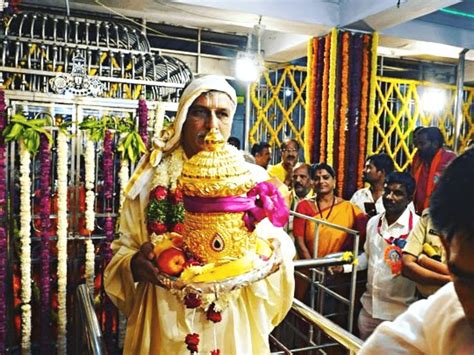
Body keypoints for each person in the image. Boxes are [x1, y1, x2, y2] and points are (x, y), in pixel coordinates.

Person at [104, 75, 295, 354]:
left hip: (232, 321)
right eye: (200, 112)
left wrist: (278, 253)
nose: (212, 125)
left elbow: (276, 243)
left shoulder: (251, 177)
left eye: (222, 114)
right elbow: (122, 254)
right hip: (164, 314)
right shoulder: (150, 180)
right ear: (182, 116)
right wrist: (136, 265)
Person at [359, 149, 474, 354]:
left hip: (398, 306)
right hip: (371, 307)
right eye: (466, 280)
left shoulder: (415, 225)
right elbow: (400, 265)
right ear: (447, 247)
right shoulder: (441, 313)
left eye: (398, 193)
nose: (391, 197)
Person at [357, 172, 419, 340]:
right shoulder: (373, 222)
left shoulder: (418, 228)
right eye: (387, 191)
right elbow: (367, 257)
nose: (390, 197)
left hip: (399, 314)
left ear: (410, 199)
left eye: (398, 193)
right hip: (369, 310)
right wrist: (347, 266)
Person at [293, 163, 367, 260]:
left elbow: (364, 231)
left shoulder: (348, 207)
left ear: (334, 181)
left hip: (337, 266)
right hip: (309, 267)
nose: (321, 181)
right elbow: (299, 242)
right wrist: (313, 268)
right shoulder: (303, 206)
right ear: (312, 183)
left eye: (326, 177)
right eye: (316, 178)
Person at [402, 209, 450, 298]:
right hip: (427, 301)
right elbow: (406, 266)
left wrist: (425, 262)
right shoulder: (429, 217)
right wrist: (449, 280)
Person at [411, 126, 456, 214]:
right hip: (418, 213)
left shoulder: (449, 160)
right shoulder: (418, 158)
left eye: (422, 143)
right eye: (417, 144)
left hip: (440, 216)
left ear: (435, 144)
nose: (418, 147)